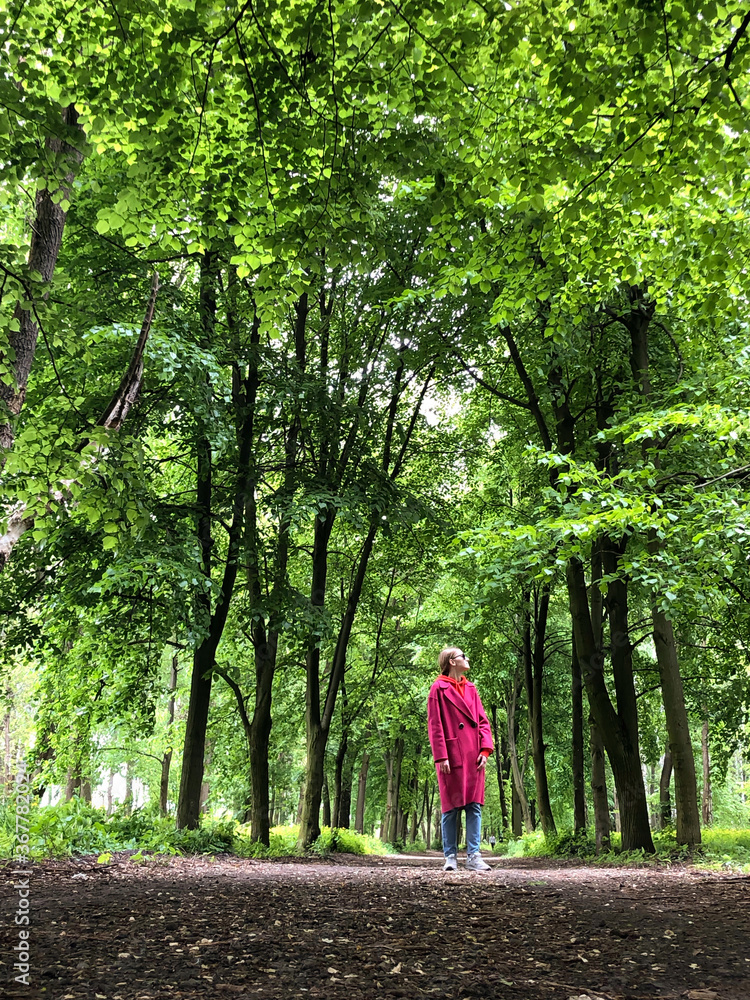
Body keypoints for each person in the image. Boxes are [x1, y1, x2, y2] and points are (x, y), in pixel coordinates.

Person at [427, 647, 493, 872]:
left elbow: (483, 721)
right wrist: (441, 756)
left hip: (474, 754)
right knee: (450, 807)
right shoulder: (438, 689)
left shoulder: (472, 689)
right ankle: (451, 857)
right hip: (451, 755)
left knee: (474, 805)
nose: (467, 658)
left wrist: (485, 750)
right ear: (451, 662)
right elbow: (435, 725)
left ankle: (474, 856)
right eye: (463, 656)